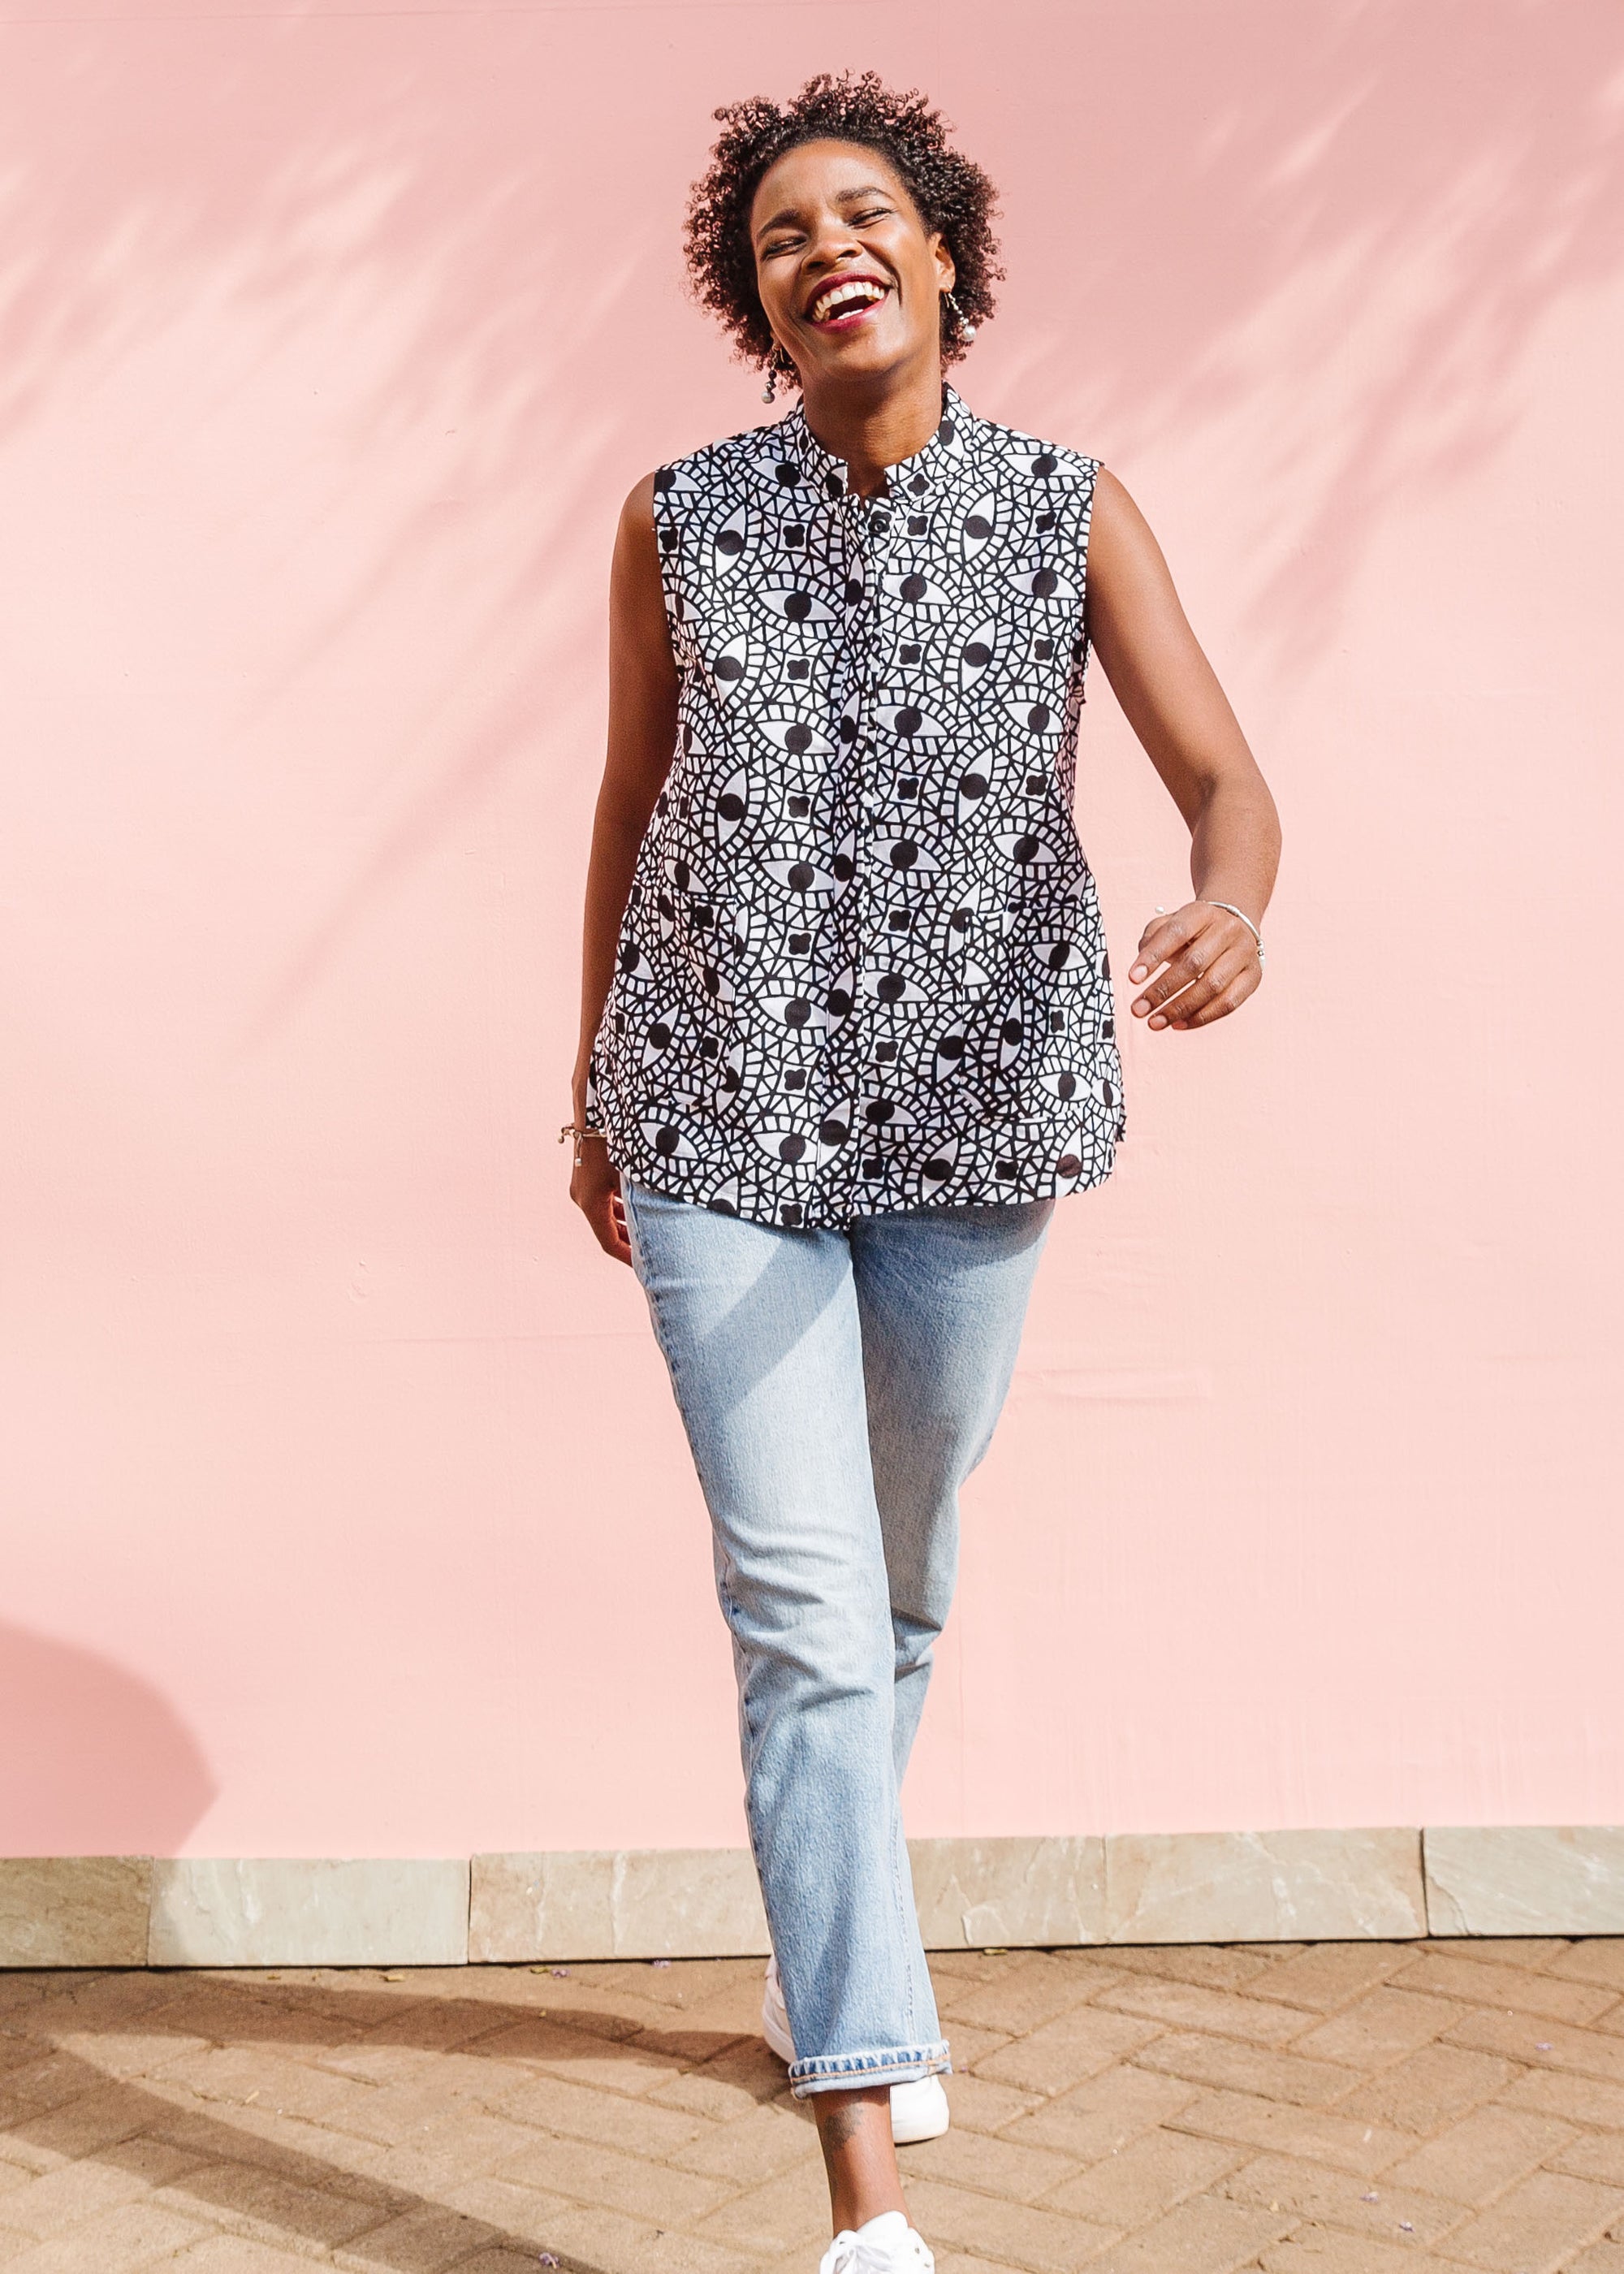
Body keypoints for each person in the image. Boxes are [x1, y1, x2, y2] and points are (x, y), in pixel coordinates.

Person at [565, 71, 1281, 2274]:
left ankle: (821, 1952)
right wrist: (590, 1080)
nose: (824, 249)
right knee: (800, 1617)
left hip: (975, 1126)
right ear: (756, 299)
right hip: (718, 1116)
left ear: (947, 257)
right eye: (781, 234)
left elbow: (1222, 776)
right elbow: (625, 804)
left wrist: (1233, 902)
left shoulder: (1070, 508)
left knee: (894, 1593)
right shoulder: (676, 515)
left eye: (864, 213)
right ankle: (865, 2175)